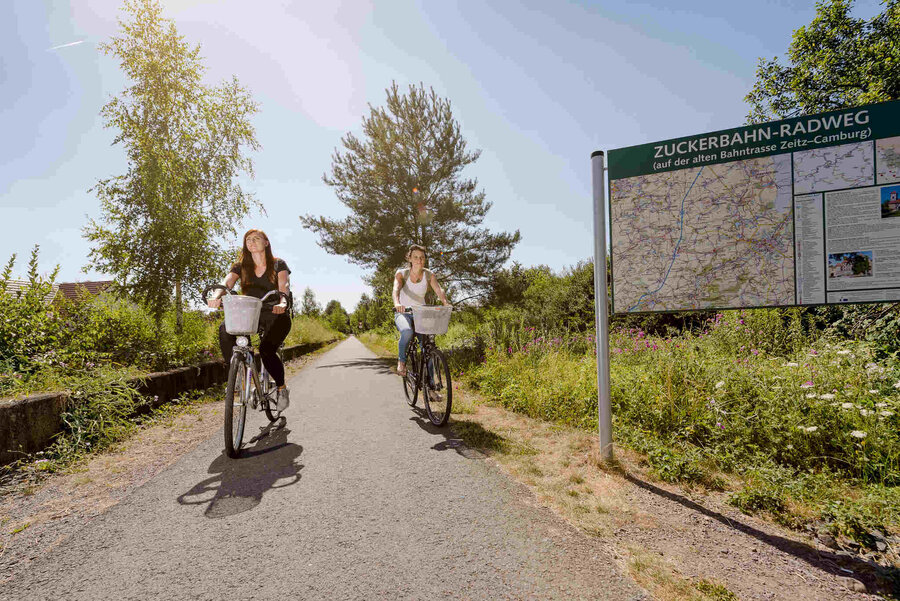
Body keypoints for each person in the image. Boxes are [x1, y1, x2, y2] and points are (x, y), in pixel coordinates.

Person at [208, 229, 292, 411]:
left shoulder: (278, 264)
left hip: (276, 313)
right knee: (225, 329)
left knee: (266, 350)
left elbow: (283, 286)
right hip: (250, 314)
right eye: (248, 240)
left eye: (256, 239)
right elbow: (226, 283)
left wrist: (283, 302)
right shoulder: (240, 266)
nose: (251, 242)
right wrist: (216, 296)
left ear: (266, 242)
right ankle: (236, 374)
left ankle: (281, 388)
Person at [392, 244, 449, 376]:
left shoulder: (429, 274)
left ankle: (430, 388)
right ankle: (401, 361)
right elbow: (396, 289)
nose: (419, 260)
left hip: (421, 314)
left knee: (428, 348)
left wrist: (445, 302)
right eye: (416, 257)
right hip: (403, 312)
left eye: (422, 257)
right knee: (406, 332)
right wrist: (397, 303)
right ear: (410, 259)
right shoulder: (402, 274)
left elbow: (438, 289)